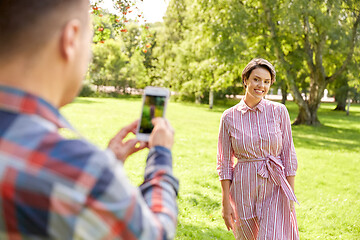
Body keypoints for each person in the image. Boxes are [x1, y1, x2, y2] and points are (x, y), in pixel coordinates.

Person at [0, 0, 178, 239]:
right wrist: (161, 157)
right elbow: (156, 234)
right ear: (71, 39)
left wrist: (110, 161)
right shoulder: (80, 173)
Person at [217, 58, 299, 240]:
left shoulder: (279, 111)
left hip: (275, 187)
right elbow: (224, 163)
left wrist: (290, 198)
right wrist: (225, 203)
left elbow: (288, 155)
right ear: (245, 79)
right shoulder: (229, 117)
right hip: (243, 191)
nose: (261, 85)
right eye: (256, 79)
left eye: (266, 81)